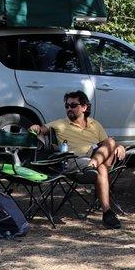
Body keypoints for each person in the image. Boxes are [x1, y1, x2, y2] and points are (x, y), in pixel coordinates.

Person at [29, 90, 124, 229]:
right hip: (74, 160)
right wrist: (36, 127)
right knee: (102, 167)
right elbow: (41, 129)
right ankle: (107, 212)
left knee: (110, 141)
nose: (69, 109)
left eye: (73, 105)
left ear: (84, 107)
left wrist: (119, 146)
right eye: (67, 106)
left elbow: (107, 143)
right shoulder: (59, 123)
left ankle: (92, 165)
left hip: (93, 158)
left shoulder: (95, 124)